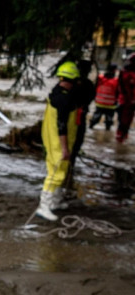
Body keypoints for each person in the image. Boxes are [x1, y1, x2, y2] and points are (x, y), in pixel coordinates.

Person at [36, 61, 79, 221]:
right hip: (58, 141)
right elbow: (61, 125)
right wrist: (65, 148)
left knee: (59, 170)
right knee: (56, 174)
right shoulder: (64, 100)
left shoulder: (56, 92)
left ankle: (54, 201)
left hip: (52, 139)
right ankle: (44, 206)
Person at [63, 60, 96, 194]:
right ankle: (68, 172)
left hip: (76, 118)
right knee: (74, 147)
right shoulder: (87, 85)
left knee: (71, 145)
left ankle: (68, 172)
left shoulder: (75, 85)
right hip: (77, 119)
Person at [89, 64, 119, 131]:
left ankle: (90, 127)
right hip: (111, 105)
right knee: (109, 120)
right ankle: (107, 131)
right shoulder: (116, 81)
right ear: (115, 71)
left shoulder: (100, 78)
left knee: (95, 118)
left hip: (99, 103)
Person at [117, 53, 135, 143]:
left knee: (127, 120)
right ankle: (121, 136)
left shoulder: (125, 72)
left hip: (128, 101)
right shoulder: (126, 73)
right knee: (123, 120)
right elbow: (124, 87)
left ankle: (123, 135)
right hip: (126, 101)